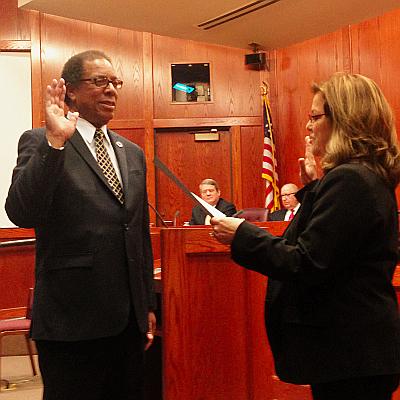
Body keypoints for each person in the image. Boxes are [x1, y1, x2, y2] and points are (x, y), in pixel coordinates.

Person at [210, 73, 400, 400]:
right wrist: (315, 183)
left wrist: (242, 233)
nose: (308, 127)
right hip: (354, 354)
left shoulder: (351, 180)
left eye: (314, 117)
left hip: (350, 356)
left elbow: (306, 261)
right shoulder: (358, 176)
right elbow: (325, 242)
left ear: (344, 121)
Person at [5, 50, 156, 400]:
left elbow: (138, 234)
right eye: (99, 82)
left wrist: (147, 304)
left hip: (128, 323)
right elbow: (21, 212)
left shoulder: (131, 152)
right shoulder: (42, 141)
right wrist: (55, 142)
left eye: (115, 83)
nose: (111, 90)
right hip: (72, 322)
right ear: (70, 90)